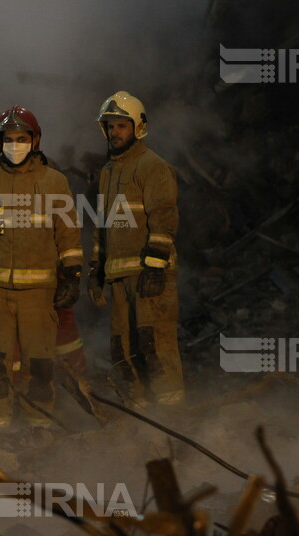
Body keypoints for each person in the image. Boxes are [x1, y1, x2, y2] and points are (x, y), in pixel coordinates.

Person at [0, 106, 84, 430]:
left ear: (35, 140)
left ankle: (39, 426)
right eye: (9, 139)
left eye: (22, 139)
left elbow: (68, 234)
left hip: (40, 293)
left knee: (39, 364)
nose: (15, 145)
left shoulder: (55, 182)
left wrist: (72, 273)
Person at [87, 91, 185, 407]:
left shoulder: (153, 166)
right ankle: (140, 420)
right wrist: (96, 271)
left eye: (121, 126)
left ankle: (172, 417)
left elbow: (164, 217)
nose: (114, 133)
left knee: (155, 345)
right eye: (109, 126)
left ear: (138, 127)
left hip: (149, 276)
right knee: (123, 350)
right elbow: (103, 226)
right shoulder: (107, 173)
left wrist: (156, 266)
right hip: (119, 279)